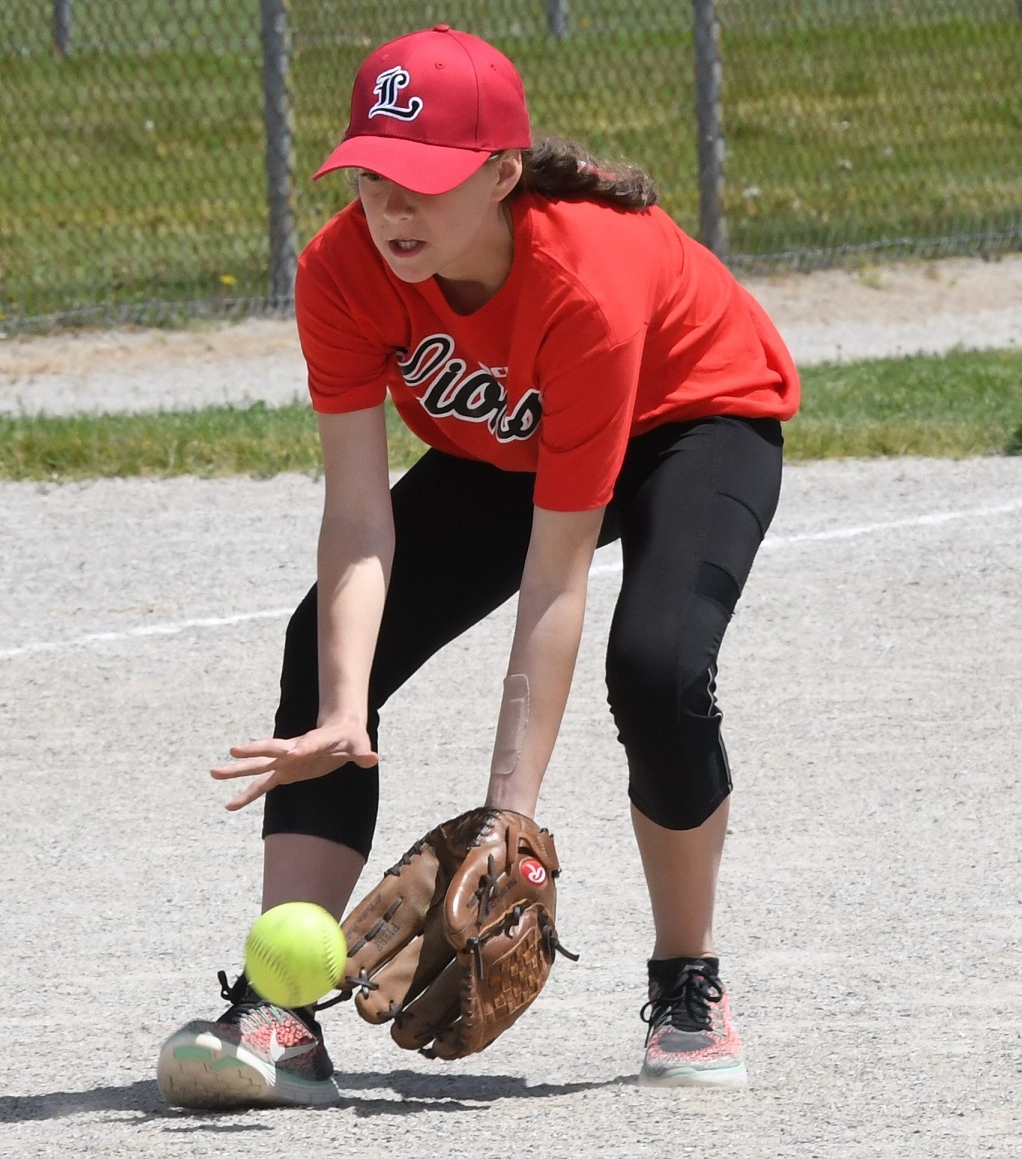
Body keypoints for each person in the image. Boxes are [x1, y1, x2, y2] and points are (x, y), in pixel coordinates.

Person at [156, 24, 799, 1109]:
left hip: (692, 418)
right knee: (319, 656)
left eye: (422, 181)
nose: (390, 209)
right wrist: (344, 708)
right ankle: (280, 1012)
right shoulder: (342, 269)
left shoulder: (581, 283)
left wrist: (505, 822)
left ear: (501, 174)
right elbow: (359, 518)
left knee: (654, 666)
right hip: (504, 443)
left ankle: (684, 978)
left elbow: (554, 578)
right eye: (370, 177)